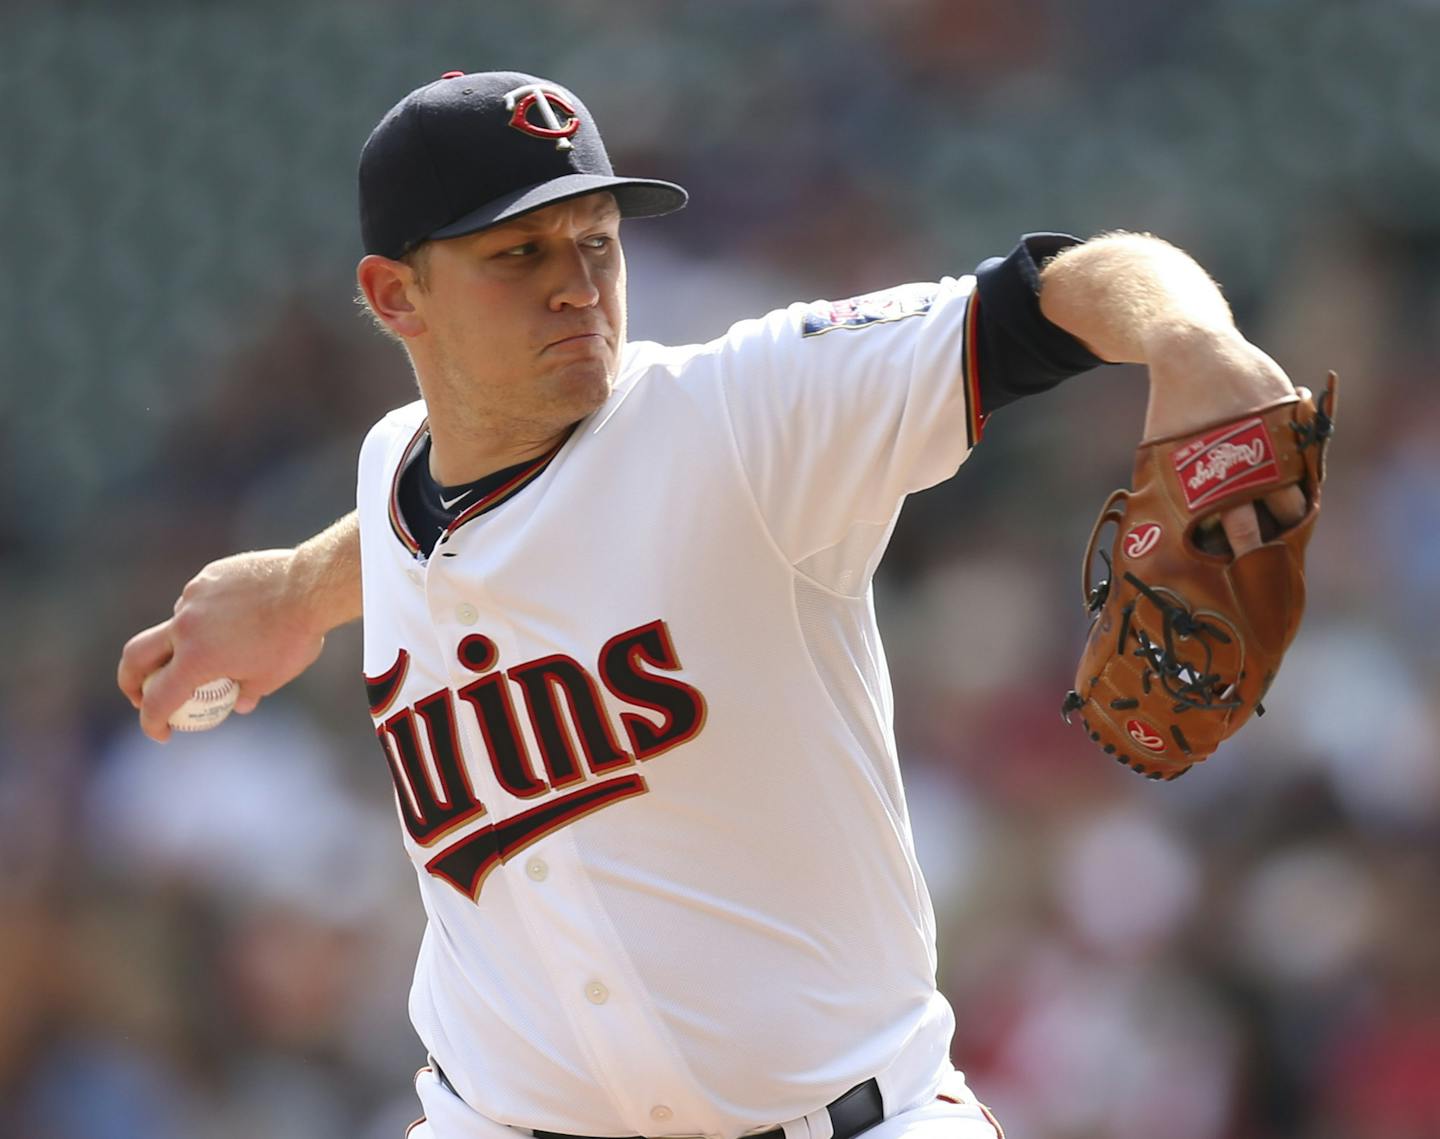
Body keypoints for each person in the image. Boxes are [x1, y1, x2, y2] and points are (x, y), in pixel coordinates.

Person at [118, 71, 1305, 1139]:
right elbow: (426, 515)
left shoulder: (744, 412)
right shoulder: (391, 472)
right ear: (395, 295)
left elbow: (1064, 290)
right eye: (517, 256)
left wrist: (1191, 336)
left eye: (595, 241)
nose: (577, 286)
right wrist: (289, 590)